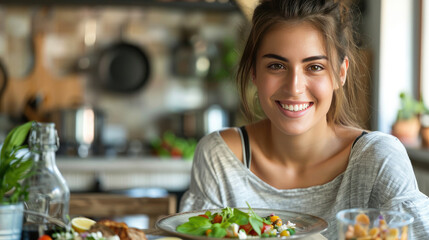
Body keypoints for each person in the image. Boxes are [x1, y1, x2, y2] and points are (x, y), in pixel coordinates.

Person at [179, 0, 429, 238]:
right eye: (277, 66)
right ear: (254, 72)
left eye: (315, 67)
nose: (294, 87)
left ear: (340, 73)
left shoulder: (379, 160)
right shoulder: (220, 158)